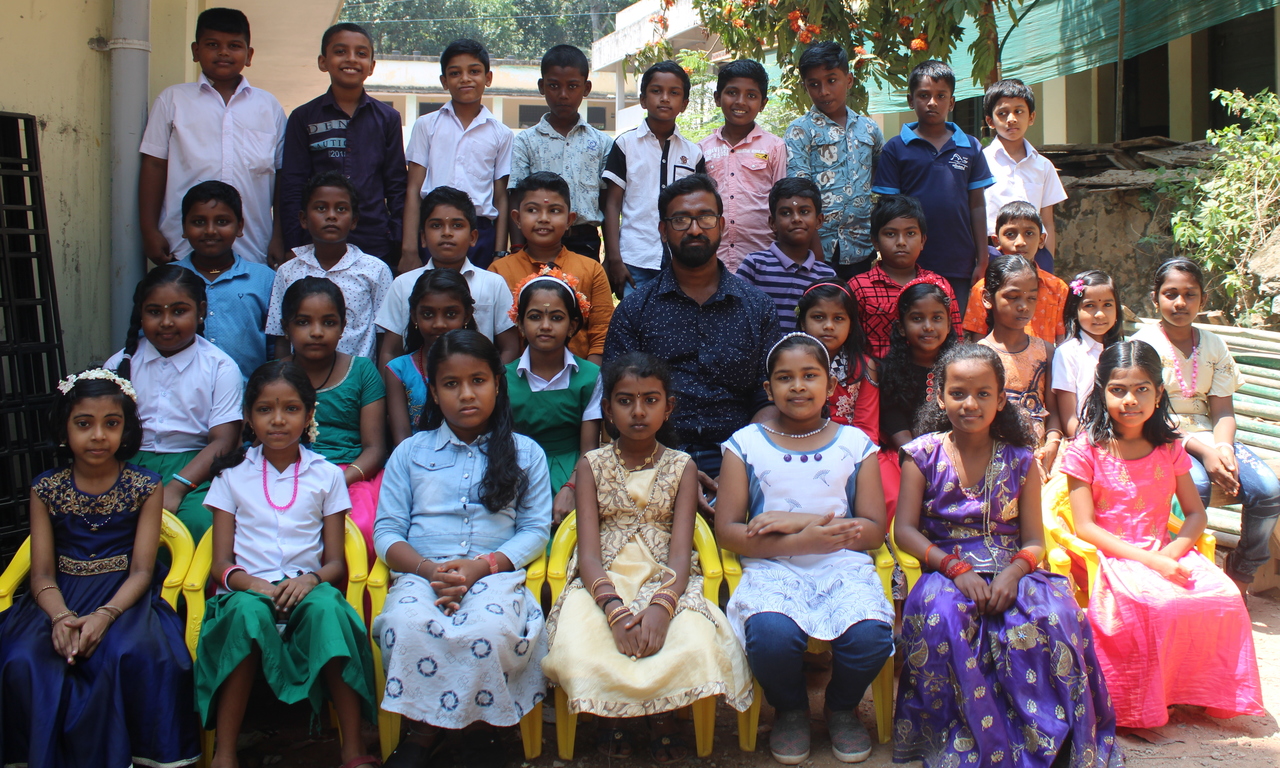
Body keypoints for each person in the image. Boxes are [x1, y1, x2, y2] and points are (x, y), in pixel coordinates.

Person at [893, 344, 1121, 768]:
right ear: (939, 397)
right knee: (946, 616)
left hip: (1011, 567)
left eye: (983, 394)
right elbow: (904, 530)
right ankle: (962, 741)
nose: (970, 404)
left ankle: (1047, 741)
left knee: (1056, 615)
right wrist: (955, 568)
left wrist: (1013, 574)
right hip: (944, 568)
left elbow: (1034, 540)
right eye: (958, 393)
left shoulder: (1021, 460)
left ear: (1001, 399)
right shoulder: (921, 455)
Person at [543, 352, 752, 762]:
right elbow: (588, 556)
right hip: (601, 579)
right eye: (625, 401)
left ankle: (663, 716)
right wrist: (615, 611)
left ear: (668, 406)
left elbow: (681, 554)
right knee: (584, 639)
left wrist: (661, 607)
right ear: (607, 409)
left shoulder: (682, 466)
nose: (638, 411)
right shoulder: (590, 466)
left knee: (691, 639)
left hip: (665, 578)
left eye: (650, 400)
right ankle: (610, 716)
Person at [0, 369, 200, 768]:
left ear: (126, 429)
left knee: (129, 654)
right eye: (84, 424)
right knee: (22, 659)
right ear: (64, 427)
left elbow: (142, 570)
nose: (98, 436)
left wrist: (104, 616)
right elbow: (41, 573)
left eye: (111, 423)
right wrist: (61, 618)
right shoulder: (45, 488)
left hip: (125, 598)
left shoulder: (146, 485)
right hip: (57, 597)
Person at [372, 330, 552, 768]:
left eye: (478, 380)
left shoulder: (526, 453)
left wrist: (480, 567)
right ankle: (424, 731)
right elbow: (387, 531)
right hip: (420, 574)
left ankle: (478, 729)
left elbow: (534, 530)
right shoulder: (409, 453)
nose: (466, 394)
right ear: (434, 392)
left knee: (488, 630)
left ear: (498, 383)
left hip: (494, 576)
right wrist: (428, 570)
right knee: (407, 624)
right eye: (451, 384)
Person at [1061, 341, 1263, 728]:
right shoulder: (1087, 449)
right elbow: (1085, 525)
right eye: (1118, 390)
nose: (1130, 400)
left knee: (1225, 597)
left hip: (1167, 549)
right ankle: (1145, 703)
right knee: (1154, 606)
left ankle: (1196, 692)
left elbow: (1196, 514)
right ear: (1101, 392)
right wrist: (1151, 562)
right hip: (1114, 556)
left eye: (1142, 389)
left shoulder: (1168, 446)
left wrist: (1171, 554)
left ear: (1158, 393)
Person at [716, 333, 893, 765]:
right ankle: (791, 707)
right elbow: (728, 531)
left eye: (810, 375)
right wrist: (798, 543)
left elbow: (873, 530)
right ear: (768, 388)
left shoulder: (855, 444)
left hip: (841, 564)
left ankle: (841, 707)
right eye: (785, 378)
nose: (798, 386)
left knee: (870, 636)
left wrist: (800, 523)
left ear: (830, 385)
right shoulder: (745, 444)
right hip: (771, 567)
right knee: (771, 638)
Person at [195, 361, 379, 768]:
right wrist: (255, 585)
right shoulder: (231, 476)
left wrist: (310, 580)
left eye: (291, 409)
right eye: (265, 409)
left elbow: (335, 563)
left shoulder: (327, 475)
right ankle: (224, 754)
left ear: (310, 414)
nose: (278, 420)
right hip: (247, 593)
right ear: (248, 416)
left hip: (306, 589)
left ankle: (352, 749)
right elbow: (220, 564)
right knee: (246, 615)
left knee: (329, 610)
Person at [604, 174, 782, 490]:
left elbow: (770, 397)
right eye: (681, 220)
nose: (695, 229)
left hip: (744, 460)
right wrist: (672, 472)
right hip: (652, 459)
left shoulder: (758, 308)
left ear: (721, 225)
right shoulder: (635, 310)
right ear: (663, 230)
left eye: (705, 218)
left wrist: (739, 466)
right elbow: (619, 402)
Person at [1131, 258, 1280, 590]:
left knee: (1268, 490)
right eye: (1170, 294)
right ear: (1155, 298)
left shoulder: (1214, 345)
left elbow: (1223, 410)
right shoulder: (1142, 346)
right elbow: (1146, 413)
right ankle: (1184, 573)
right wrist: (1204, 453)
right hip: (1160, 436)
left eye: (1190, 294)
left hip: (1210, 436)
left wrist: (1223, 448)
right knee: (1195, 487)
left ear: (1203, 299)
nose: (1180, 303)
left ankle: (1241, 572)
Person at [139, 7, 286, 267]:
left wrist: (279, 235)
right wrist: (149, 230)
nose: (223, 52)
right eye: (212, 45)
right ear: (196, 51)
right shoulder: (173, 100)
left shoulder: (268, 106)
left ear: (249, 55)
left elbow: (282, 174)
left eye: (234, 46)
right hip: (181, 246)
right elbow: (154, 165)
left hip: (253, 246)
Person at [105, 266, 243, 541]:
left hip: (196, 467)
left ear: (200, 311)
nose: (166, 322)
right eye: (154, 312)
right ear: (140, 313)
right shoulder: (121, 364)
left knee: (199, 522)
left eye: (179, 311)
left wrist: (177, 488)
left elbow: (223, 440)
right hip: (128, 462)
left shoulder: (220, 367)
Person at [280, 22, 405, 269]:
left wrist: (400, 242)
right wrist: (292, 244)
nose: (351, 59)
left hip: (375, 242)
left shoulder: (388, 118)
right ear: (323, 61)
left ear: (372, 66)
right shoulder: (303, 117)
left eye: (361, 53)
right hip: (314, 243)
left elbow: (397, 186)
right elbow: (292, 185)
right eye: (340, 51)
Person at [872, 60, 993, 311]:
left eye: (941, 96)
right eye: (924, 95)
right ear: (910, 100)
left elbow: (977, 206)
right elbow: (887, 210)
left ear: (952, 102)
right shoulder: (896, 148)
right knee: (914, 321)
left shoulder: (970, 147)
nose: (932, 102)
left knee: (955, 324)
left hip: (959, 261)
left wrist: (982, 259)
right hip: (910, 262)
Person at [279, 277, 387, 556]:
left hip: (350, 475)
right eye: (303, 322)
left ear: (342, 327)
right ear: (285, 327)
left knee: (360, 527)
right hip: (286, 474)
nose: (317, 332)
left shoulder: (362, 371)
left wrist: (337, 480)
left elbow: (375, 449)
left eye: (328, 322)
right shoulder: (274, 377)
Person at [376, 186, 518, 368]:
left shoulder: (493, 283)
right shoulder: (403, 284)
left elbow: (510, 348)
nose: (447, 233)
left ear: (473, 237)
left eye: (457, 225)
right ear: (423, 238)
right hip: (416, 380)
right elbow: (390, 351)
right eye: (436, 225)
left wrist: (490, 378)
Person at [402, 39, 512, 272]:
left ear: (488, 78)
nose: (465, 79)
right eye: (455, 73)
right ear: (444, 81)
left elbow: (501, 197)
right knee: (432, 291)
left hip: (480, 233)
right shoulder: (426, 125)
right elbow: (413, 189)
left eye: (474, 71)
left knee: (475, 292)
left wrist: (500, 253)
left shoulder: (501, 134)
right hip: (434, 229)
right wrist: (409, 249)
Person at [797, 280, 899, 523]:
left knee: (893, 494)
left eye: (839, 318)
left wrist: (842, 459)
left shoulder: (865, 367)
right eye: (818, 317)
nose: (828, 326)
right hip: (801, 446)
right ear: (802, 322)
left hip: (856, 450)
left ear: (852, 324)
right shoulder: (791, 364)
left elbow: (867, 429)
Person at [603, 61, 706, 298]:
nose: (665, 98)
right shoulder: (625, 145)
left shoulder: (693, 154)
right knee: (635, 317)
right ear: (642, 99)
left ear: (684, 104)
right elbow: (612, 205)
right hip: (634, 258)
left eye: (674, 93)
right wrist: (614, 258)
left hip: (679, 259)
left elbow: (699, 209)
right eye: (656, 91)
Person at [505, 273, 602, 523]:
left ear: (572, 326)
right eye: (535, 317)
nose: (546, 326)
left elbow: (589, 449)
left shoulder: (590, 377)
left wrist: (572, 488)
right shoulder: (503, 379)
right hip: (516, 473)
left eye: (556, 317)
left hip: (575, 472)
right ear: (519, 323)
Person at [267, 171, 393, 360]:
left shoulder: (375, 270)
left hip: (357, 376)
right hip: (301, 376)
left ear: (354, 220)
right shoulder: (288, 271)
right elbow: (281, 337)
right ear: (303, 219)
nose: (331, 216)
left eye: (341, 209)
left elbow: (383, 337)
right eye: (321, 208)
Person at [491, 172, 614, 363]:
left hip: (580, 376)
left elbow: (601, 334)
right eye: (532, 210)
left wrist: (589, 378)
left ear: (569, 220)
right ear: (517, 218)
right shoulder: (499, 272)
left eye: (554, 211)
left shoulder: (591, 270)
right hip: (515, 377)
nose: (543, 218)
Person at [785, 42, 884, 280]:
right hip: (818, 249)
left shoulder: (869, 128)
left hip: (861, 246)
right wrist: (814, 248)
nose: (824, 91)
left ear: (848, 80)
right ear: (805, 86)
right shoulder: (800, 130)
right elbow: (800, 192)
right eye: (814, 84)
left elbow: (881, 176)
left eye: (831, 80)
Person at [509, 44, 612, 261]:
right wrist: (517, 249)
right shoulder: (526, 141)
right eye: (554, 86)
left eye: (572, 86)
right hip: (535, 242)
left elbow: (607, 202)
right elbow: (516, 197)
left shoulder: (602, 143)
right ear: (542, 86)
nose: (563, 95)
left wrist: (612, 257)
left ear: (586, 88)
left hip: (584, 242)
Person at [174, 181, 277, 379]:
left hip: (248, 392)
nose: (210, 231)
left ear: (239, 226)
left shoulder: (264, 279)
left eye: (222, 222)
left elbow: (276, 345)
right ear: (184, 227)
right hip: (184, 393)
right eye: (198, 222)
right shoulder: (169, 280)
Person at [698, 59, 787, 272]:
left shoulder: (775, 147)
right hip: (714, 259)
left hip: (763, 258)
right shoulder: (701, 149)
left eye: (751, 95)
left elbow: (781, 202)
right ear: (717, 98)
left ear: (763, 104)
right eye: (732, 93)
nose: (741, 102)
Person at [976, 254, 1063, 471]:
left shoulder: (1047, 352)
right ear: (987, 298)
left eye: (1031, 298)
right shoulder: (978, 356)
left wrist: (1052, 444)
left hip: (1039, 457)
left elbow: (1054, 411)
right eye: (1013, 297)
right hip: (993, 460)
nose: (1023, 306)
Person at [847, 195, 961, 358]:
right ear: (875, 241)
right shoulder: (859, 287)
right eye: (890, 234)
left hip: (932, 372)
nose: (901, 242)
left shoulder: (939, 285)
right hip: (875, 372)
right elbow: (851, 345)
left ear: (922, 241)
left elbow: (956, 341)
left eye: (910, 233)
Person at [982, 78, 1067, 273]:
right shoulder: (980, 162)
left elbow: (1047, 222)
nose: (1011, 119)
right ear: (990, 121)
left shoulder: (1043, 166)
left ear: (1031, 117)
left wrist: (1047, 262)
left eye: (1018, 111)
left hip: (1034, 252)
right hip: (993, 251)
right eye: (1002, 113)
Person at [384, 269, 475, 447]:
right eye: (428, 314)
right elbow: (402, 441)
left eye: (451, 314)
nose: (439, 324)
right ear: (414, 316)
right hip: (414, 458)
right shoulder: (399, 370)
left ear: (466, 315)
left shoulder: (483, 365)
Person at [736, 177, 836, 331]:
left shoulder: (826, 275)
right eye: (786, 213)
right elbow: (735, 313)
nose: (796, 219)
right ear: (772, 223)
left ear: (819, 220)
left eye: (804, 212)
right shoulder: (755, 265)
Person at [963, 202, 1068, 344]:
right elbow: (978, 340)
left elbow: (1062, 339)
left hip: (1045, 357)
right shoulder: (983, 287)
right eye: (1010, 234)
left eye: (1029, 233)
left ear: (1041, 240)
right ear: (996, 241)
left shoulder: (1058, 288)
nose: (1020, 242)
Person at [878, 281, 958, 452]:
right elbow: (893, 420)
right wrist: (918, 456)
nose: (928, 327)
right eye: (917, 319)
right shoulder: (888, 370)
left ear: (948, 324)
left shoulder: (959, 368)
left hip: (954, 450)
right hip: (905, 453)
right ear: (901, 327)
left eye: (937, 318)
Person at [1053, 269, 1121, 439]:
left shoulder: (1123, 351)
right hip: (1086, 440)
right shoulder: (1067, 353)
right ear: (1075, 311)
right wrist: (1093, 445)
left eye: (1107, 305)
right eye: (1089, 306)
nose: (1100, 314)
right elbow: (1069, 419)